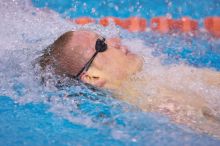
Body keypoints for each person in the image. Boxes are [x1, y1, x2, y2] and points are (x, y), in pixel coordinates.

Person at [38, 29, 220, 137]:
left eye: (104, 38)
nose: (115, 42)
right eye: (102, 46)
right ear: (93, 77)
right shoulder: (160, 108)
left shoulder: (168, 74)